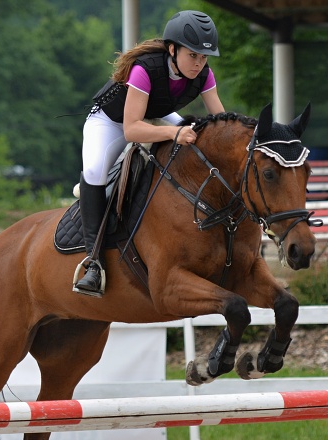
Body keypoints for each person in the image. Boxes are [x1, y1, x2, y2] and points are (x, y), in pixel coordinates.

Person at [74, 10, 226, 297]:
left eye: (204, 57)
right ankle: (93, 263)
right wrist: (175, 132)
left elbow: (220, 118)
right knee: (94, 169)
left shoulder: (204, 74)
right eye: (193, 55)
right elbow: (132, 130)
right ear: (172, 49)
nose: (199, 63)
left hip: (157, 112)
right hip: (112, 121)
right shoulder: (144, 69)